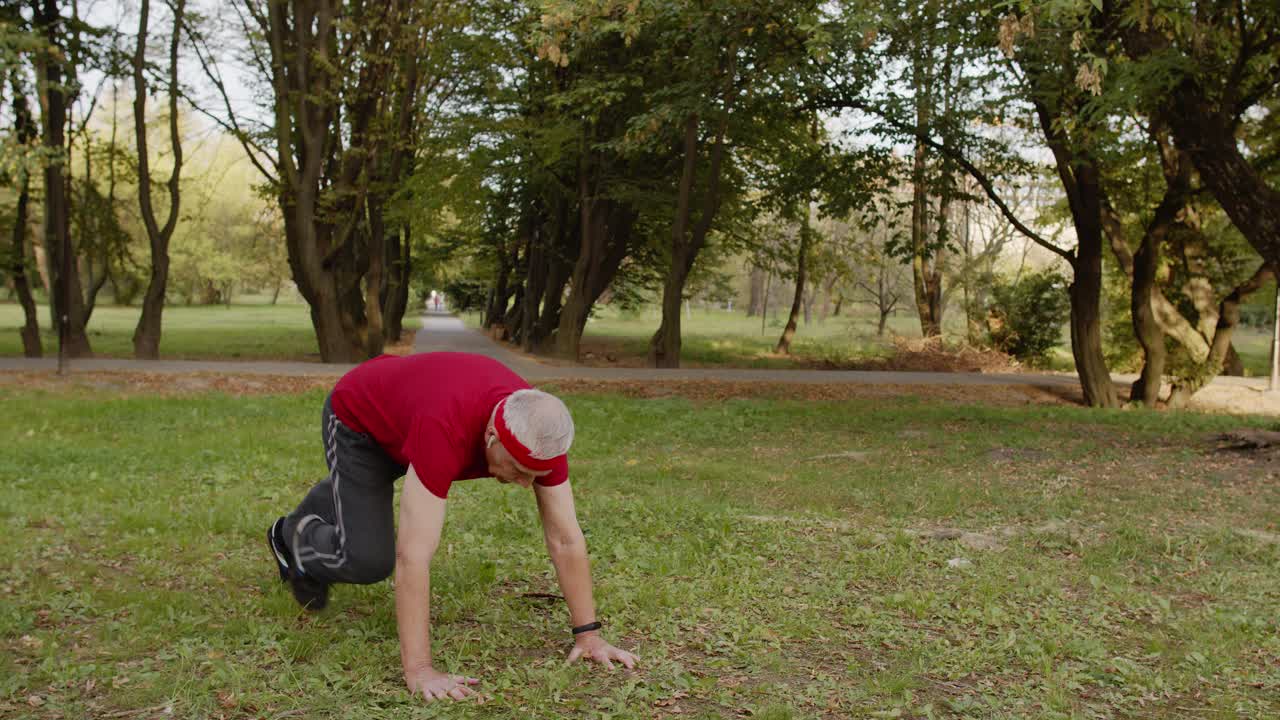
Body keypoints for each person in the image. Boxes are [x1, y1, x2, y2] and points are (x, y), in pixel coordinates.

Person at [265, 352, 638, 702]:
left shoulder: (540, 438)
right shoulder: (444, 427)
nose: (527, 485)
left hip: (407, 418)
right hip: (360, 420)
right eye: (520, 473)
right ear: (492, 436)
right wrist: (420, 670)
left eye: (535, 476)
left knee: (364, 501)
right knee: (366, 560)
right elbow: (413, 555)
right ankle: (293, 536)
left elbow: (565, 537)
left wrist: (589, 635)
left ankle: (350, 492)